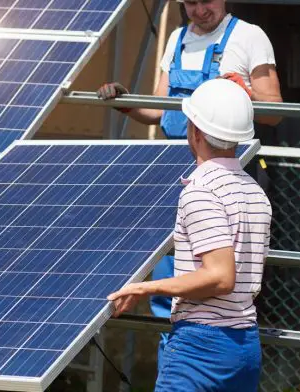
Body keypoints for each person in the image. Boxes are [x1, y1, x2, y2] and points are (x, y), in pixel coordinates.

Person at [97, 0, 281, 368]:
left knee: (219, 281)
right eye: (190, 3)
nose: (199, 10)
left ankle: (211, 365)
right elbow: (161, 109)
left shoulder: (249, 37)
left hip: (228, 172)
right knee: (174, 279)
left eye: (206, 0)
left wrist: (243, 89)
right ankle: (178, 365)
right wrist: (126, 102)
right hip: (177, 179)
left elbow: (275, 110)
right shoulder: (176, 38)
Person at [107, 79, 272, 391]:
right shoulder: (254, 190)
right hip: (246, 343)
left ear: (194, 130)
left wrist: (146, 287)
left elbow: (221, 276)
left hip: (201, 348)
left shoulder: (201, 190)